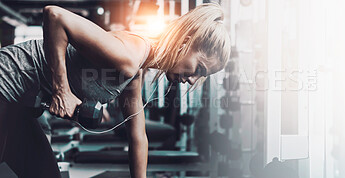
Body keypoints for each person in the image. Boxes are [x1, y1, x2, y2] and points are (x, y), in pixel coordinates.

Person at [0, 3, 230, 178]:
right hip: (5, 85)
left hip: (19, 106)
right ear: (185, 44)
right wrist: (62, 91)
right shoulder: (129, 58)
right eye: (199, 68)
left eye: (203, 76)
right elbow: (54, 15)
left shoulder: (135, 72)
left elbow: (138, 137)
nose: (193, 80)